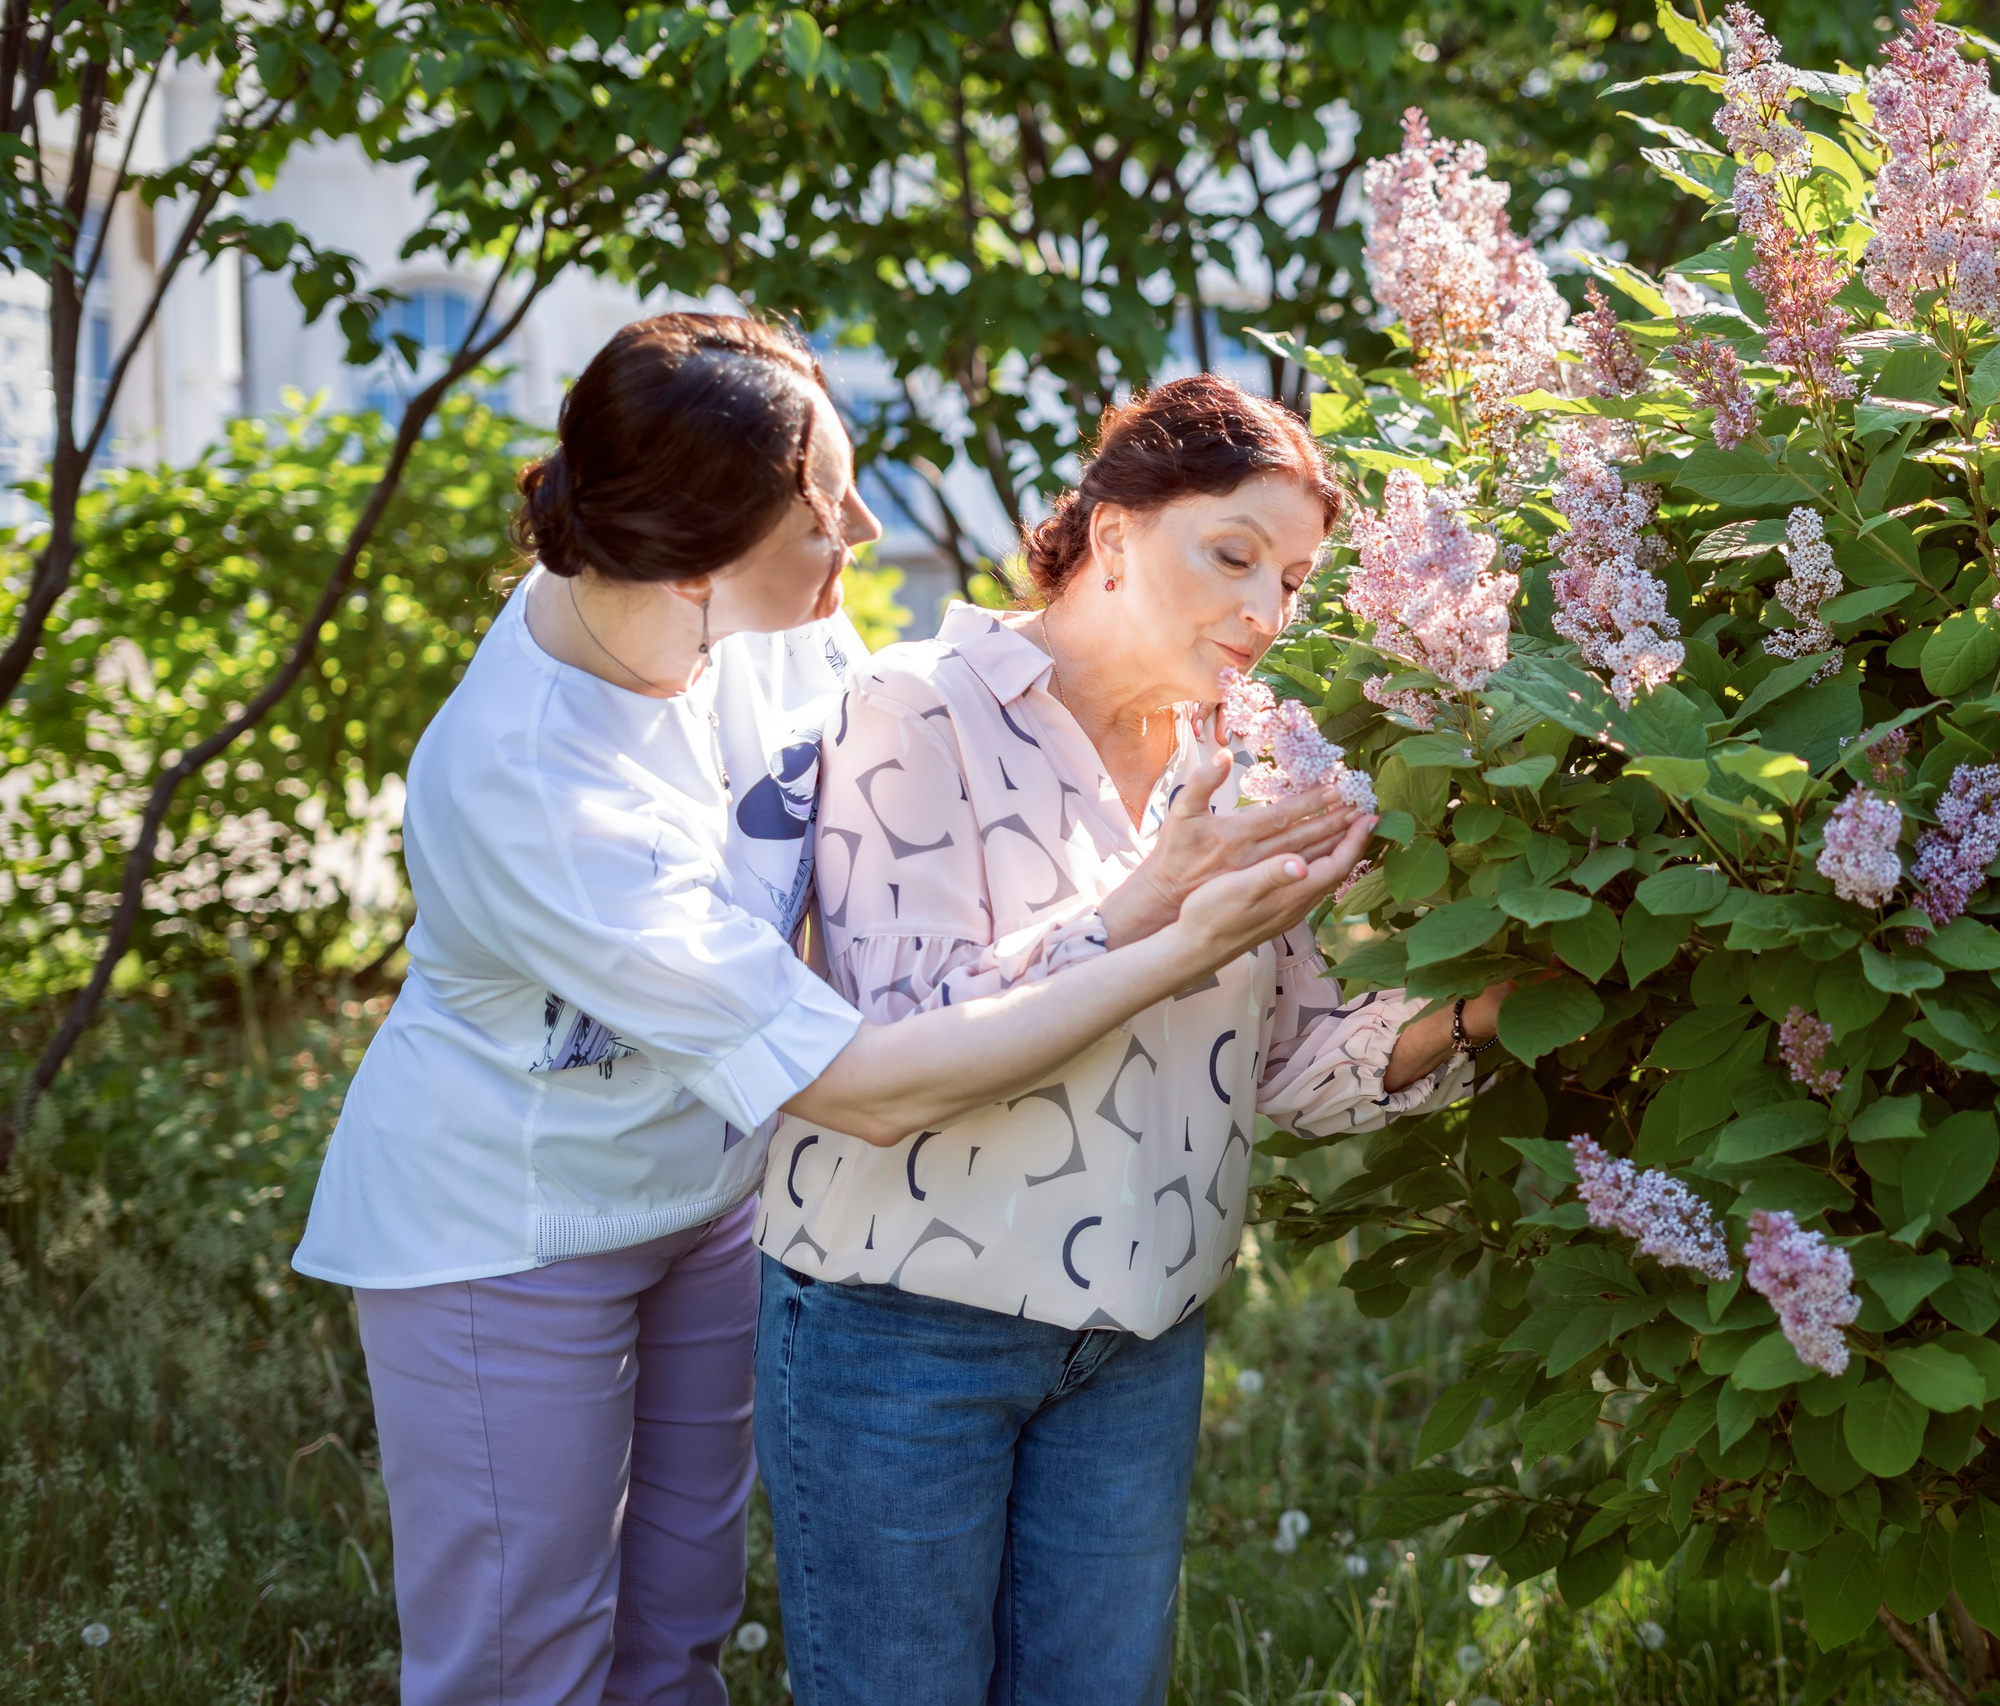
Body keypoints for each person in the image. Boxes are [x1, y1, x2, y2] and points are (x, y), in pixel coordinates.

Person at [294, 317, 1344, 1706]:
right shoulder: (533, 788)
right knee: (521, 1659)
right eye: (819, 511)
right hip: (515, 1212)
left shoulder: (773, 626)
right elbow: (858, 1083)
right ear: (697, 559)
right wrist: (1167, 934)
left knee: (679, 1629)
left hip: (711, 1187)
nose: (857, 524)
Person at [754, 374, 1512, 1706]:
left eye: (1293, 580)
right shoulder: (914, 705)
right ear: (1112, 535)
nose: (1268, 614)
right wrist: (1142, 913)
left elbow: (1299, 1063)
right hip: (904, 1328)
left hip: (1138, 1331)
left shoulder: (1249, 757)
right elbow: (899, 1044)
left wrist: (1507, 997)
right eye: (1234, 557)